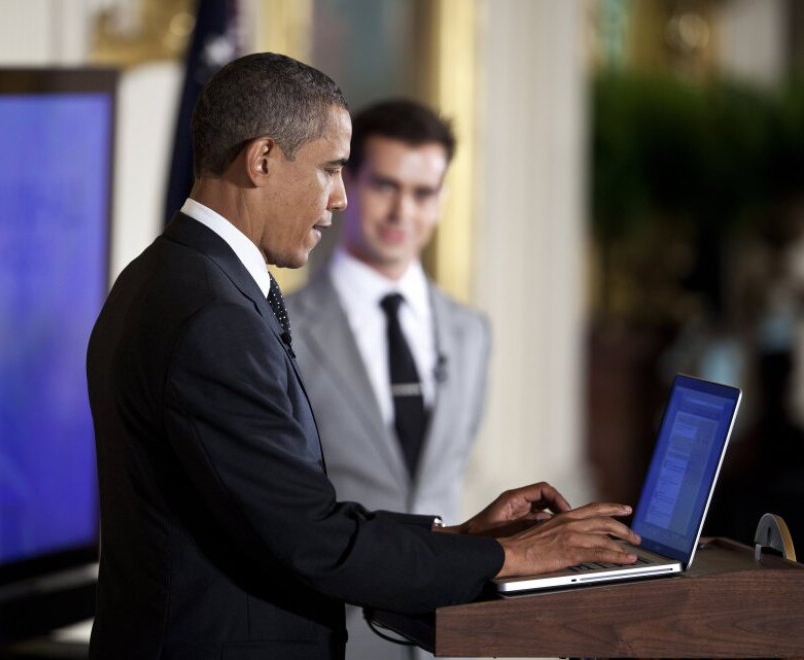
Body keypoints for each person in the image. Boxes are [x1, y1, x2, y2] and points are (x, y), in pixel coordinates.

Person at [86, 52, 640, 660]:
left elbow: (280, 511)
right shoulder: (209, 313)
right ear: (263, 159)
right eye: (331, 170)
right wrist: (513, 554)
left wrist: (457, 537)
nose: (343, 199)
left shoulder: (168, 277)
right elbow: (311, 540)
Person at [286, 99, 490, 659]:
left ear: (443, 199)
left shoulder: (472, 333)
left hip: (446, 636)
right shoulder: (283, 329)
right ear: (348, 183)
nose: (403, 211)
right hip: (333, 635)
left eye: (423, 193)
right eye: (386, 186)